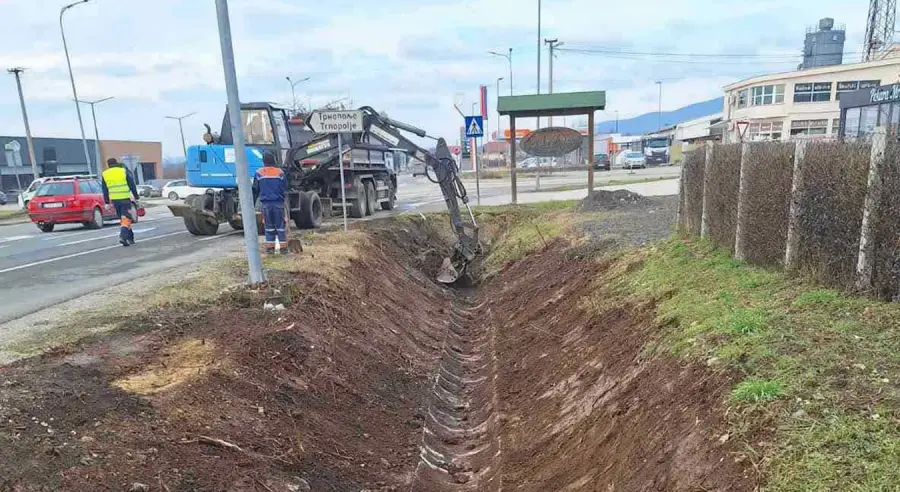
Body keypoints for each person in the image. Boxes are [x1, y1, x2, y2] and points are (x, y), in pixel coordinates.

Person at [252, 152, 288, 255]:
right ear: (274, 160)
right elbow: (285, 187)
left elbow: (255, 188)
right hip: (278, 203)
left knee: (269, 226)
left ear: (263, 161)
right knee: (280, 226)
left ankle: (270, 248)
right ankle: (283, 249)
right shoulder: (280, 173)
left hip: (266, 204)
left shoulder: (259, 173)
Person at [101, 158, 139, 247]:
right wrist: (136, 196)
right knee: (126, 218)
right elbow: (132, 184)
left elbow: (104, 189)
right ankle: (123, 236)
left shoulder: (105, 174)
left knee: (124, 219)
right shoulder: (123, 171)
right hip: (125, 198)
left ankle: (130, 238)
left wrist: (106, 202)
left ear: (108, 165)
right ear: (116, 163)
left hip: (115, 200)